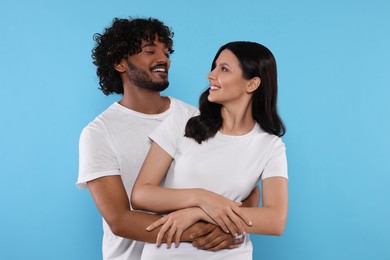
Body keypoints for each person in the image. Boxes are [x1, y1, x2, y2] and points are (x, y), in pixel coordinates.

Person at [77, 18, 260, 260]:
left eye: (166, 52)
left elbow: (246, 189)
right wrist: (199, 232)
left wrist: (232, 227)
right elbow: (120, 219)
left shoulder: (198, 118)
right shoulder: (99, 133)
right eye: (150, 51)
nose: (163, 59)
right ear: (120, 63)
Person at [131, 41, 288, 259]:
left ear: (252, 84)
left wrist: (199, 213)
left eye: (223, 69)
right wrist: (201, 198)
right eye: (214, 66)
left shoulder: (270, 146)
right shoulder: (181, 122)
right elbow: (141, 194)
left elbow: (275, 220)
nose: (210, 75)